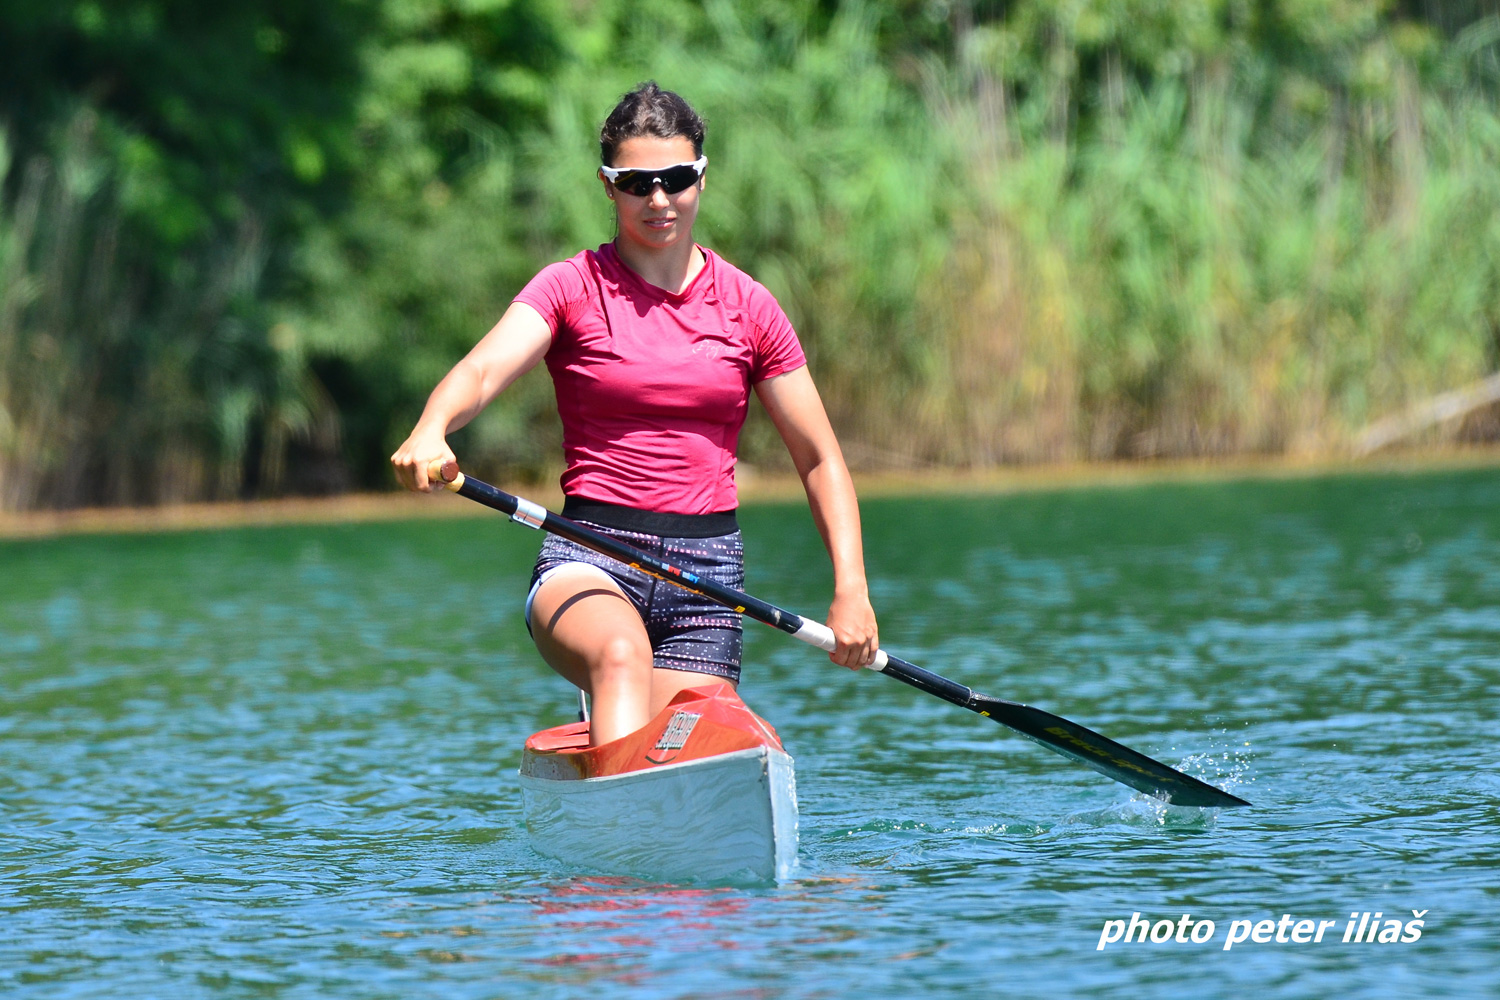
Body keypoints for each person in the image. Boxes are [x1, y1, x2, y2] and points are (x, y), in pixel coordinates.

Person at [391, 82, 878, 745]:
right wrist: (431, 429)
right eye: (636, 182)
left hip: (708, 580)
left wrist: (851, 589)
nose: (658, 199)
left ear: (701, 179)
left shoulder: (750, 306)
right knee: (621, 657)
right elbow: (481, 370)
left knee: (732, 741)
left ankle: (631, 759)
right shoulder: (570, 287)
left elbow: (820, 459)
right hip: (591, 558)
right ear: (607, 186)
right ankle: (618, 817)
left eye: (675, 179)